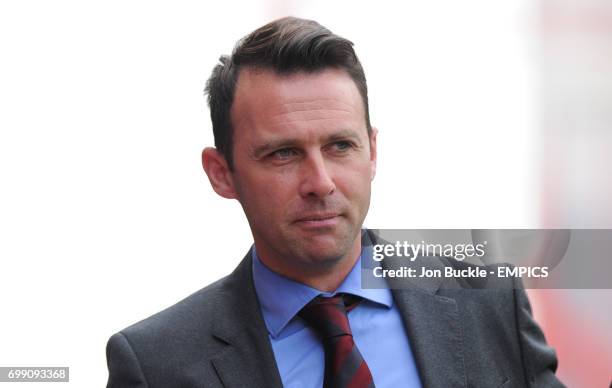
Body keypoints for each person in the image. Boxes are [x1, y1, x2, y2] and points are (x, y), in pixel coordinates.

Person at [106, 17, 564, 388]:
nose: (320, 182)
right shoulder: (156, 365)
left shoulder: (488, 301)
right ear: (222, 173)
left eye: (340, 146)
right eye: (283, 153)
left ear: (373, 152)